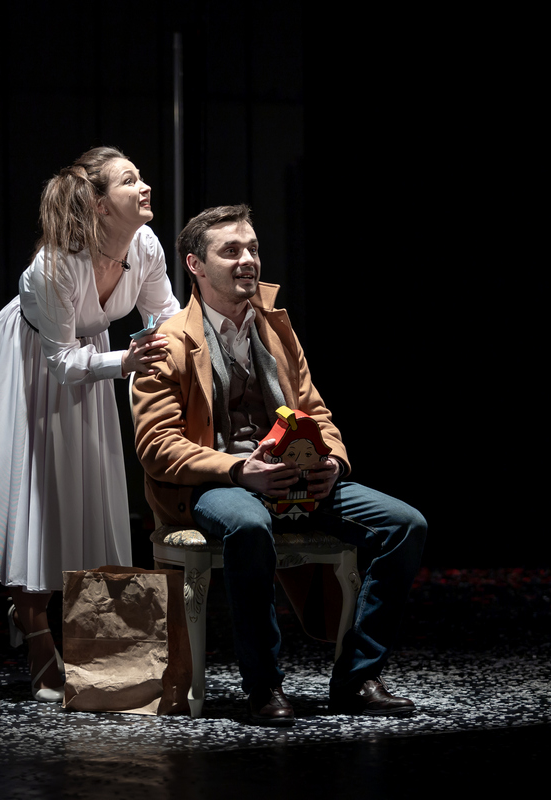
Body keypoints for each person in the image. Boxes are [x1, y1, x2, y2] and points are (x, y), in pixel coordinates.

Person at [132, 205, 427, 726]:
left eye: (252, 249)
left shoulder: (276, 328)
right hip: (215, 483)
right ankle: (263, 685)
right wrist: (238, 470)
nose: (247, 260)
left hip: (295, 476)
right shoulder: (168, 341)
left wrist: (332, 461)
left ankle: (358, 678)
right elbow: (157, 446)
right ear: (195, 265)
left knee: (405, 524)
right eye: (231, 251)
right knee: (248, 524)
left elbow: (316, 411)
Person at [0, 147, 180, 702]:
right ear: (100, 205)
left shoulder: (144, 245)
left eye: (142, 176)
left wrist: (184, 351)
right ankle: (35, 632)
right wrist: (125, 362)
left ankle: (98, 649)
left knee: (89, 496)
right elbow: (59, 361)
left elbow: (166, 314)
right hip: (31, 363)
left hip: (93, 359)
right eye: (130, 180)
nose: (145, 187)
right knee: (33, 500)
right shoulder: (55, 266)